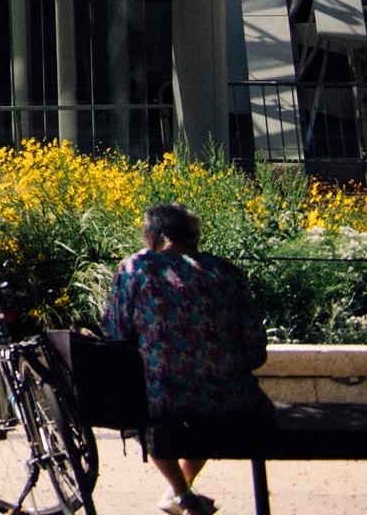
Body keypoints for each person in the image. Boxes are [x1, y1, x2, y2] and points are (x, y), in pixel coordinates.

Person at [103, 201, 270, 515]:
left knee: (142, 401)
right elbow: (255, 349)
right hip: (231, 401)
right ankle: (180, 492)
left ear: (155, 237)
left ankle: (181, 493)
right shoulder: (226, 271)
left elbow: (115, 333)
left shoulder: (136, 267)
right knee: (210, 397)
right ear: (195, 237)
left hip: (162, 401)